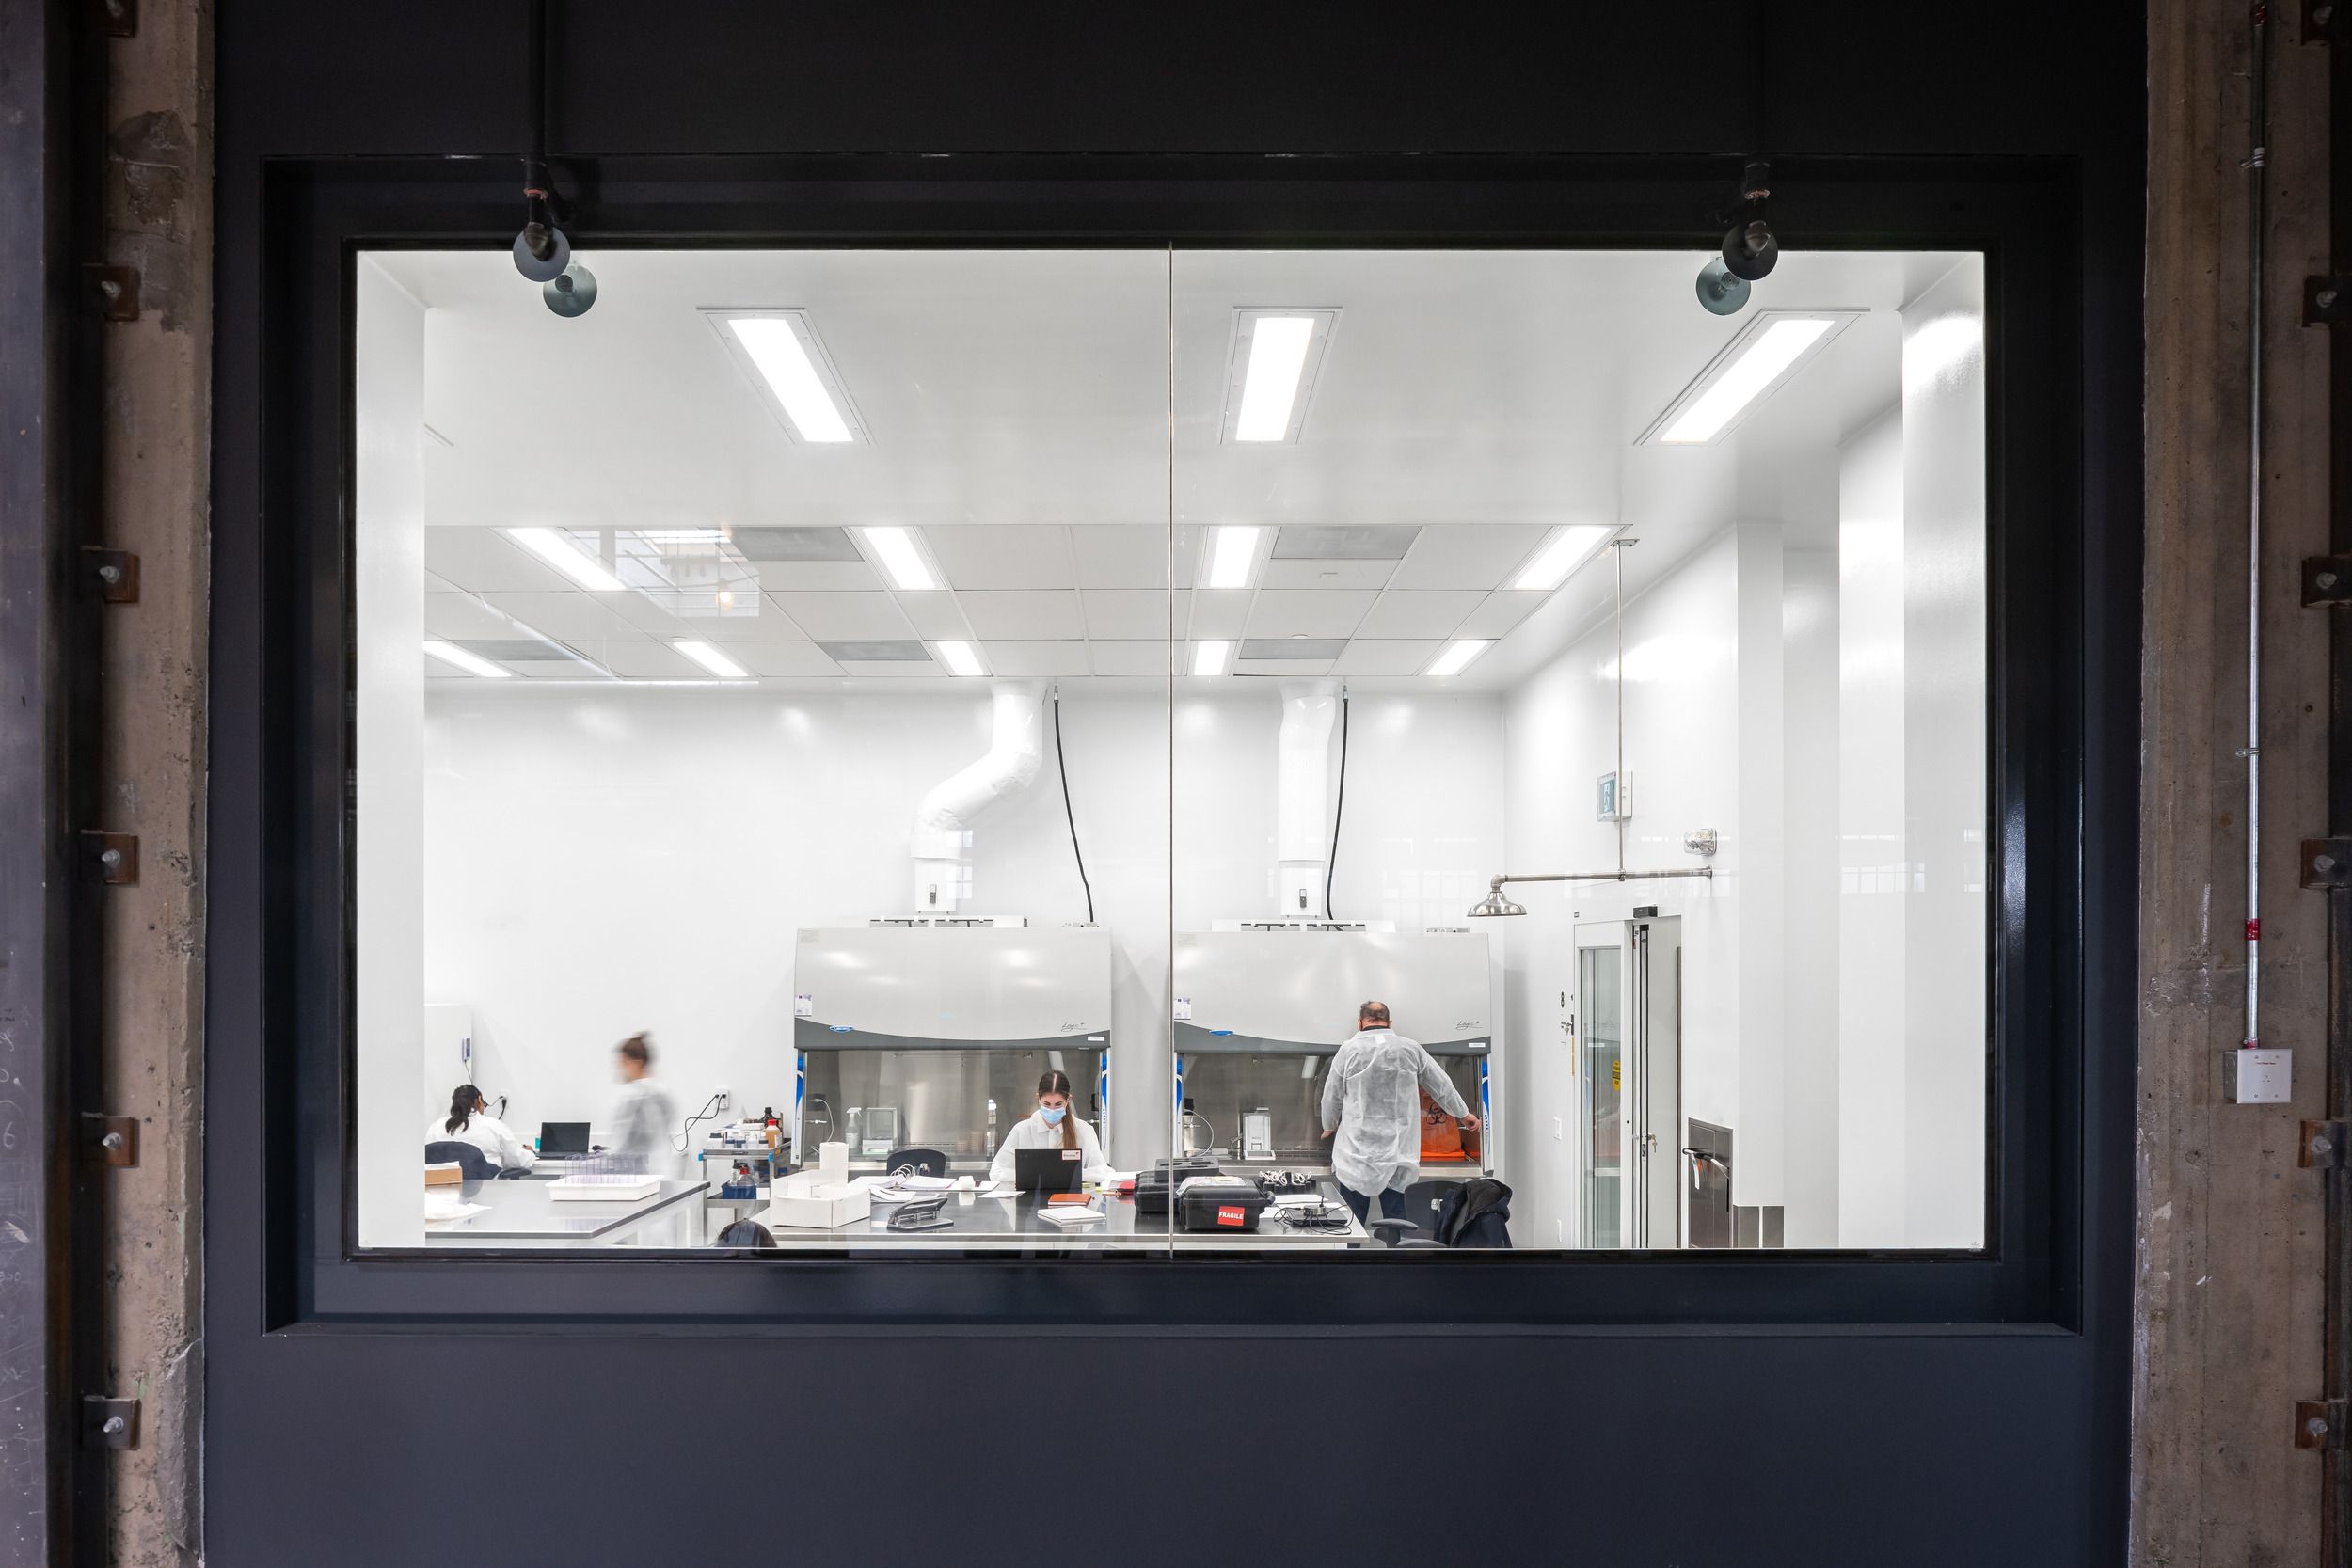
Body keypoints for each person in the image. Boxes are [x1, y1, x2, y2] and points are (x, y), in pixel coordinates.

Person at [1320, 1001, 1478, 1227]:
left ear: (1360, 1022)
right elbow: (1441, 1085)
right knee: (1399, 1228)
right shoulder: (1410, 1048)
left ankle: (1351, 1260)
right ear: (1389, 1021)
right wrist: (1463, 1114)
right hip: (1398, 1157)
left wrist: (1329, 1124)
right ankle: (1398, 1259)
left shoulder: (1349, 1050)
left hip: (1356, 1157)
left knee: (1350, 1228)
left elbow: (1332, 1095)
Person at [988, 1069, 1115, 1184]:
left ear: (1068, 1100)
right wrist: (1032, 1176)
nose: (1052, 1110)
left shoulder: (1084, 1131)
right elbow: (997, 1172)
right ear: (1038, 1098)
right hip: (1028, 1206)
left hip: (1073, 1206)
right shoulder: (1021, 1131)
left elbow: (1103, 1173)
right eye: (1047, 1104)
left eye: (1058, 1104)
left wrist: (1068, 1175)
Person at [595, 1032, 677, 1173]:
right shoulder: (662, 1091)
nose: (620, 1069)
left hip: (638, 1176)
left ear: (636, 1063)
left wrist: (599, 1163)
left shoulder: (632, 1097)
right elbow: (670, 1120)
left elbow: (620, 1143)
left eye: (622, 1063)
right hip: (662, 1169)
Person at [425, 1083, 536, 1175]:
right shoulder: (495, 1126)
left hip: (440, 1192)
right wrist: (530, 1154)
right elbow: (516, 1160)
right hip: (487, 1191)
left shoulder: (436, 1127)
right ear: (479, 1100)